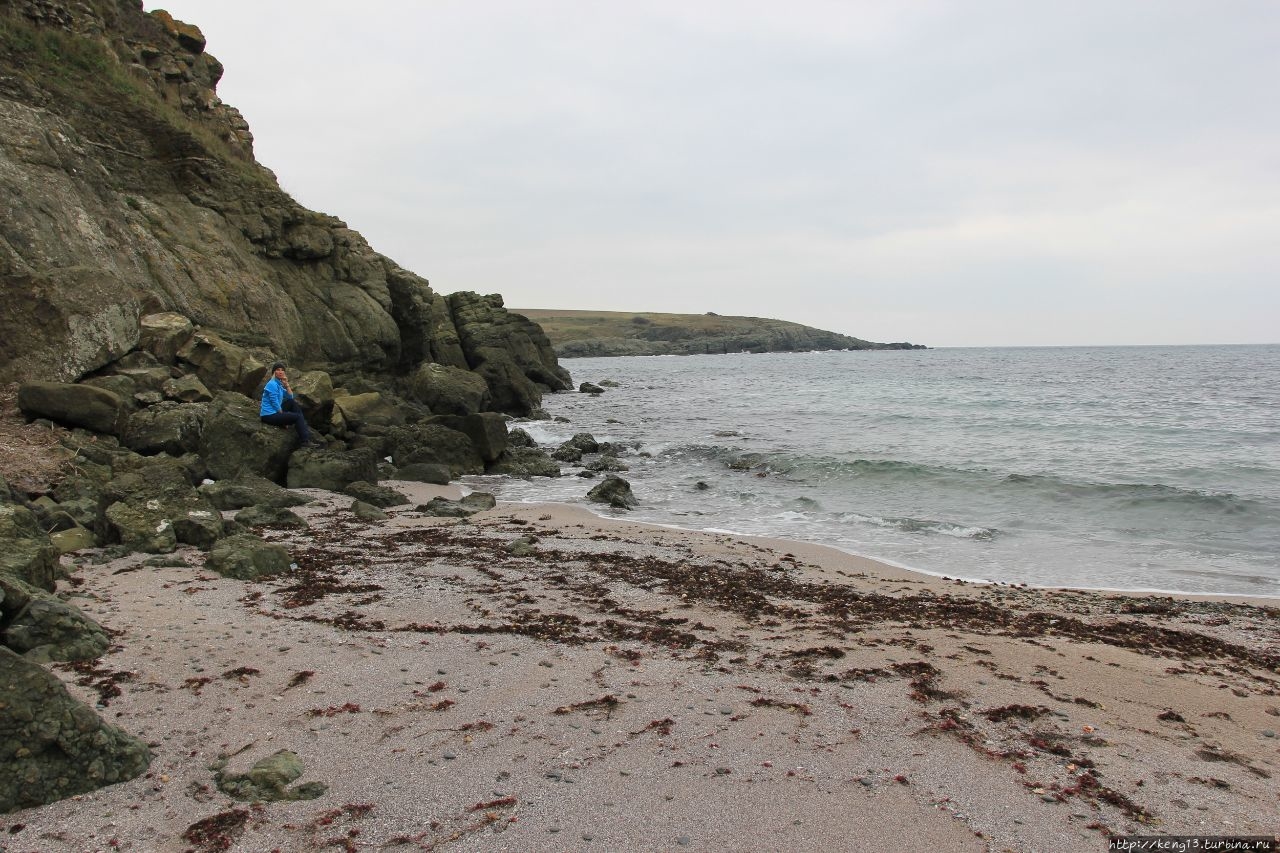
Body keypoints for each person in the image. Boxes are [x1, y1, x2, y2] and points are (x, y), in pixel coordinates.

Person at [259, 361, 321, 447]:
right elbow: (274, 403)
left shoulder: (279, 384)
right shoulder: (272, 384)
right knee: (297, 417)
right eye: (278, 370)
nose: (280, 372)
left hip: (274, 412)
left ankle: (302, 425)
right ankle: (305, 441)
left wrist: (287, 385)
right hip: (268, 415)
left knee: (291, 403)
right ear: (274, 372)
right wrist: (283, 415)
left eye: (282, 370)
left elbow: (290, 397)